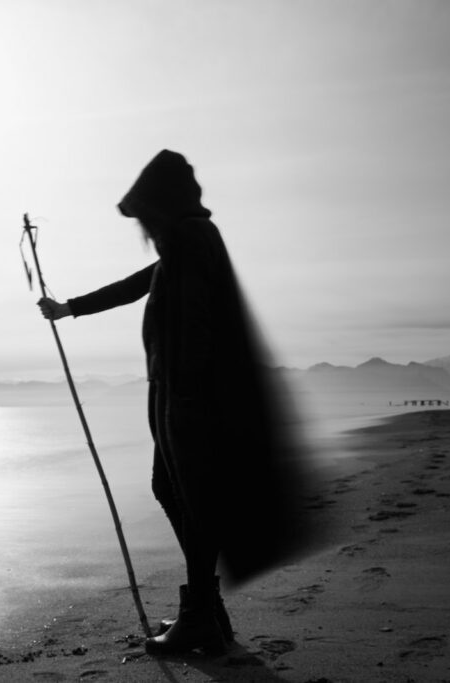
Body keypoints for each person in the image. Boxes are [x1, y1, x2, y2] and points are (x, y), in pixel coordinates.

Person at [38, 150, 315, 655]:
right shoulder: (186, 240)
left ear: (160, 205)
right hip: (180, 393)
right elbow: (136, 285)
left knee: (186, 496)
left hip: (189, 397)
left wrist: (183, 399)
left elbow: (195, 323)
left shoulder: (190, 237)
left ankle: (201, 617)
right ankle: (206, 612)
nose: (142, 225)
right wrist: (69, 308)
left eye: (144, 213)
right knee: (178, 493)